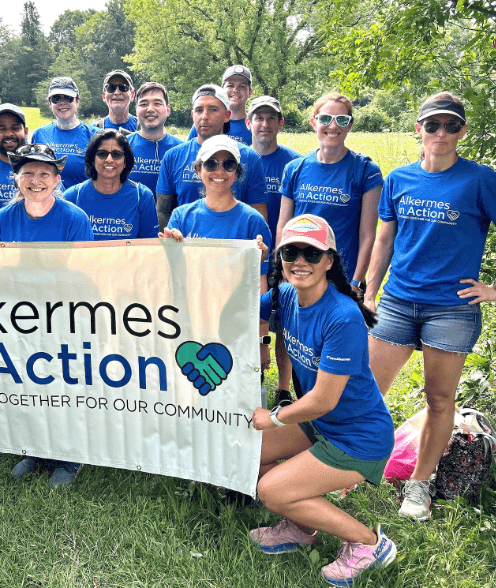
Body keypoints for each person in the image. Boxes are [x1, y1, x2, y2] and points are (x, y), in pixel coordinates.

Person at [364, 92, 496, 521]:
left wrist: (494, 290)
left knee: (440, 399)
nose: (441, 133)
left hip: (451, 309)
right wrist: (369, 291)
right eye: (433, 125)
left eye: (451, 126)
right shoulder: (399, 179)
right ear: (418, 129)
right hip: (398, 300)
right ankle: (357, 466)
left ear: (462, 131)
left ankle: (419, 486)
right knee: (366, 390)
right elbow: (385, 239)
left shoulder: (480, 179)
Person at [251, 214, 396, 586]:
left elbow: (323, 400)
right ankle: (301, 528)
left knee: (269, 490)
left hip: (357, 438)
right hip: (322, 424)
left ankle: (368, 543)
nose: (300, 260)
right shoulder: (285, 294)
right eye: (291, 252)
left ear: (329, 260)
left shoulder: (342, 316)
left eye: (312, 253)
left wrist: (274, 417)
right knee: (248, 454)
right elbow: (241, 309)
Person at [0, 143, 92, 486]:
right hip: (20, 318)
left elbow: (80, 276)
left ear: (57, 179)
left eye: (44, 173)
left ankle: (71, 455)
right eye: (28, 172)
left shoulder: (75, 219)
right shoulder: (2, 220)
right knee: (31, 383)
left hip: (65, 317)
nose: (36, 180)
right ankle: (36, 447)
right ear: (16, 177)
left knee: (66, 384)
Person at [278, 92, 383, 291]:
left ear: (350, 125)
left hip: (343, 278)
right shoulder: (294, 169)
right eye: (325, 119)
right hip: (301, 274)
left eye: (341, 120)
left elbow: (368, 234)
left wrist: (357, 281)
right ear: (313, 122)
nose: (333, 126)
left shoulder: (366, 170)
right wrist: (283, 273)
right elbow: (283, 227)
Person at [160, 135, 271, 288]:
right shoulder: (181, 217)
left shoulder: (254, 221)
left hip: (235, 309)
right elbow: (170, 277)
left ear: (237, 172)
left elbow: (260, 284)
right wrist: (168, 250)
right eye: (211, 164)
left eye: (228, 164)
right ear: (198, 170)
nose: (219, 171)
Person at [247, 95, 302, 407]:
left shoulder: (293, 163)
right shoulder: (238, 160)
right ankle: (251, 374)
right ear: (249, 123)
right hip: (250, 253)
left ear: (281, 123)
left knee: (283, 321)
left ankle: (283, 387)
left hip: (286, 255)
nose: (264, 124)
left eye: (271, 118)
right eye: (259, 118)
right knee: (255, 316)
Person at [156, 83, 268, 231]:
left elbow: (258, 212)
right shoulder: (173, 156)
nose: (205, 116)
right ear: (192, 115)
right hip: (187, 247)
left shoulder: (248, 157)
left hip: (234, 247)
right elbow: (163, 211)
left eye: (213, 110)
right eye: (199, 110)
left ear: (227, 115)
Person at [64, 129, 158, 240]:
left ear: (125, 162)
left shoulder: (142, 197)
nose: (109, 159)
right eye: (102, 154)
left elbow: (149, 246)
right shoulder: (72, 197)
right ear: (92, 160)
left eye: (116, 154)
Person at [31, 77, 98, 189]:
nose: (62, 103)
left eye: (68, 98)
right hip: (49, 204)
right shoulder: (39, 134)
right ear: (49, 103)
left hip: (82, 203)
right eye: (56, 99)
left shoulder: (94, 135)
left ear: (77, 101)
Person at [127, 82, 183, 197]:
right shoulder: (122, 147)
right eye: (144, 104)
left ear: (168, 110)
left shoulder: (181, 150)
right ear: (136, 110)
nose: (150, 109)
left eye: (157, 103)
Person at [186, 64, 254, 145]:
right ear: (222, 90)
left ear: (250, 92)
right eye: (230, 85)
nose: (235, 90)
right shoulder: (203, 124)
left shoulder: (254, 127)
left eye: (242, 86)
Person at [94, 70, 138, 134]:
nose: (117, 92)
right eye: (111, 88)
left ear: (132, 95)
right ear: (104, 96)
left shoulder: (144, 129)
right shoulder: (92, 132)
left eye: (123, 87)